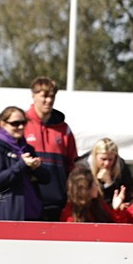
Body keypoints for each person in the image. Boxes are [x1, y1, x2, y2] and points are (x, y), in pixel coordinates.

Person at [23, 76, 78, 221]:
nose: (49, 100)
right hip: (27, 201)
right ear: (33, 95)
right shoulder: (20, 125)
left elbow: (72, 166)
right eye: (44, 96)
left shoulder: (64, 129)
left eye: (52, 96)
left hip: (57, 203)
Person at [0, 105, 48, 221]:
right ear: (3, 124)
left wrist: (36, 168)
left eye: (24, 122)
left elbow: (46, 178)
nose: (21, 126)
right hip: (7, 215)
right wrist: (22, 164)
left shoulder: (27, 148)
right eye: (15, 123)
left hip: (32, 214)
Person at [60, 164, 133, 223]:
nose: (97, 186)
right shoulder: (70, 214)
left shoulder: (99, 204)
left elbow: (118, 226)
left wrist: (116, 209)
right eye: (94, 184)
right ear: (85, 189)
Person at [79, 137, 133, 206]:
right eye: (103, 159)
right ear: (95, 156)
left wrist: (109, 183)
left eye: (110, 159)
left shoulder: (120, 166)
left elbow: (129, 191)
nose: (107, 163)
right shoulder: (83, 169)